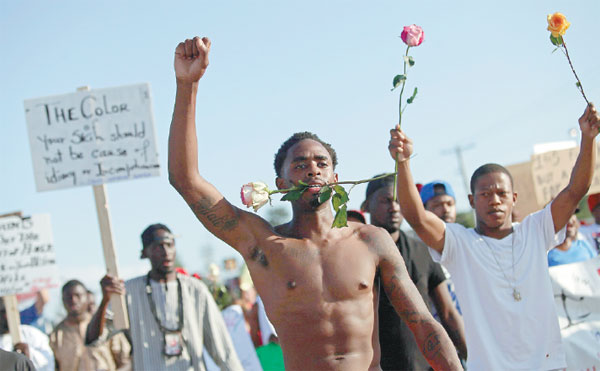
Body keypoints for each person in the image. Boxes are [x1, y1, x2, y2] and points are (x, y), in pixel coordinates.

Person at [167, 36, 461, 370]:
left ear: (336, 179)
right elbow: (185, 180)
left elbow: (423, 323)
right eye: (300, 165)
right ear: (281, 184)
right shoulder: (264, 245)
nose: (312, 170)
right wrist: (186, 86)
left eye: (322, 164)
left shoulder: (370, 240)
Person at [388, 103, 600, 370]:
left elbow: (574, 191)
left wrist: (588, 139)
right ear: (471, 201)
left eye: (501, 194)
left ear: (513, 199)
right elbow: (417, 217)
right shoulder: (459, 243)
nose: (494, 201)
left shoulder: (536, 230)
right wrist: (403, 162)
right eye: (485, 194)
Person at [88, 223, 242, 371]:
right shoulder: (128, 291)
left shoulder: (195, 290)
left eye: (170, 245)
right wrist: (105, 301)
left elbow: (223, 349)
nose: (166, 251)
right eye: (157, 246)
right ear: (144, 253)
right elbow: (93, 339)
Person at [362, 175, 467, 369]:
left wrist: (471, 358)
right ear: (366, 205)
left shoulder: (422, 250)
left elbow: (448, 313)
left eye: (399, 201)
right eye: (386, 201)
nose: (394, 208)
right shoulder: (355, 255)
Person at [50, 279, 131, 370]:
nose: (73, 300)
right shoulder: (55, 337)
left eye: (78, 295)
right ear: (63, 300)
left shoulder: (105, 326)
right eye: (68, 297)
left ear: (87, 297)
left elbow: (127, 363)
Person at [0, 298, 54, 371]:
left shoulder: (32, 334)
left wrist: (29, 355)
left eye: (7, 311)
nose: (5, 316)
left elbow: (48, 364)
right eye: (1, 312)